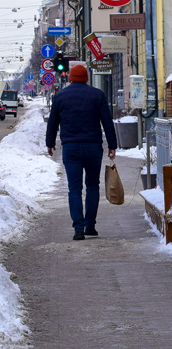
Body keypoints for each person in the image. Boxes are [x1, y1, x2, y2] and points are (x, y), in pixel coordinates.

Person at [46, 64, 118, 240]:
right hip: (93, 147)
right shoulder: (97, 95)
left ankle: (78, 229)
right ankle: (90, 225)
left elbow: (53, 122)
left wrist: (50, 143)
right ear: (86, 78)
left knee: (74, 188)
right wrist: (112, 145)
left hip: (71, 148)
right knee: (93, 186)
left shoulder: (60, 96)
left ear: (70, 78)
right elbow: (107, 122)